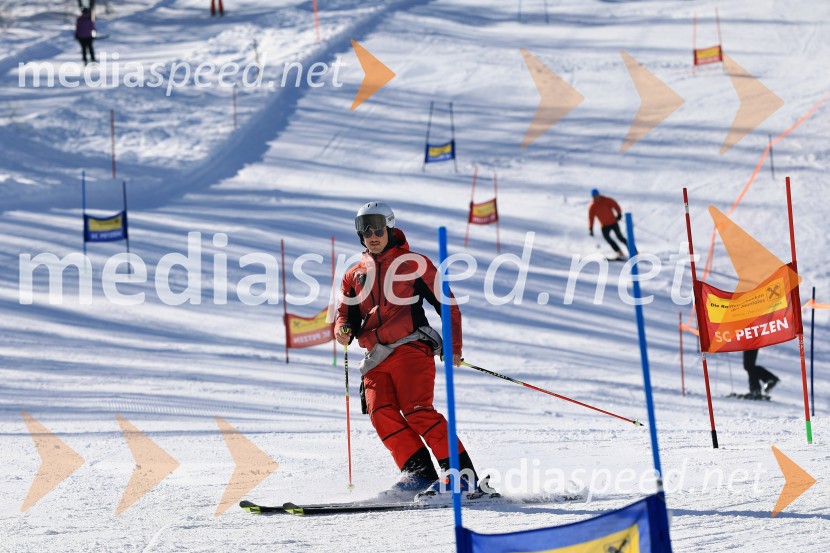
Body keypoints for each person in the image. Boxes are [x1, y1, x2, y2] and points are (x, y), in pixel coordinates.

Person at [336, 201, 483, 500]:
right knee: (381, 413)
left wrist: (454, 344)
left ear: (390, 228)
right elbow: (344, 314)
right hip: (376, 355)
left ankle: (462, 477)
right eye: (365, 230)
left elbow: (447, 304)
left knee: (417, 411)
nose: (373, 235)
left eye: (378, 228)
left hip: (410, 346)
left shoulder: (415, 264)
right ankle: (418, 473)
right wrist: (343, 329)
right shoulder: (354, 275)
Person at [588, 188, 628, 259]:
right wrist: (590, 228)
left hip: (613, 222)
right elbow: (591, 218)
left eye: (596, 195)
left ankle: (634, 251)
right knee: (607, 238)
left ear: (598, 194)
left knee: (620, 237)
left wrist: (619, 214)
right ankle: (619, 252)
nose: (595, 197)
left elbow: (615, 205)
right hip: (604, 225)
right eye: (593, 196)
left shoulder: (606, 200)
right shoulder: (592, 206)